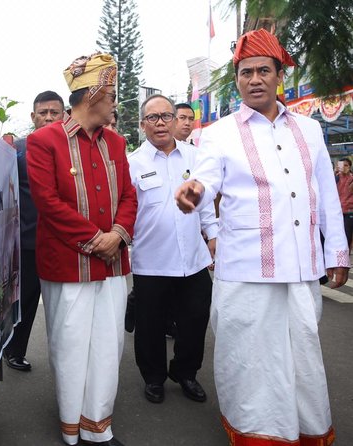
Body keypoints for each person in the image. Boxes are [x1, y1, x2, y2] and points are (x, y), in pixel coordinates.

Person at [174, 28, 349, 445]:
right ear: (237, 79)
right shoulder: (220, 132)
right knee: (249, 360)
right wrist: (195, 192)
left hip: (301, 268)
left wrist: (337, 252)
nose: (254, 79)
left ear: (278, 76)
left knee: (302, 355)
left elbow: (326, 193)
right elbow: (206, 177)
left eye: (262, 71)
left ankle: (306, 429)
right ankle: (257, 432)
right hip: (246, 269)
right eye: (245, 72)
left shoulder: (309, 130)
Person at [27, 52, 137, 446]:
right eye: (110, 94)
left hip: (112, 264)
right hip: (68, 265)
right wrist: (97, 239)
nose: (114, 102)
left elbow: (128, 194)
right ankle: (71, 428)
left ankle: (98, 428)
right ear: (92, 95)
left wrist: (118, 234)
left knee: (109, 346)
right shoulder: (43, 141)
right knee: (71, 348)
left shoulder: (117, 142)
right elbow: (47, 201)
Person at [129, 94, 217, 405]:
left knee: (194, 321)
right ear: (142, 125)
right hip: (151, 262)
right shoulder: (132, 164)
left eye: (166, 116)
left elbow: (204, 202)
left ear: (175, 119)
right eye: (153, 118)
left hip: (192, 260)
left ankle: (185, 372)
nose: (161, 123)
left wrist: (213, 235)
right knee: (150, 327)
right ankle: (153, 378)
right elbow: (127, 211)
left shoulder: (195, 158)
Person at [4, 90, 65, 372]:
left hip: (65, 241)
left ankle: (66, 360)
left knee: (65, 305)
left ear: (64, 115)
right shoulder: (16, 150)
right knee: (26, 300)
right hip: (28, 240)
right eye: (44, 113)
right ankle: (14, 351)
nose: (49, 118)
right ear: (33, 117)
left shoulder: (72, 147)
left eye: (55, 112)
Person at [335, 157, 353, 248]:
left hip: (349, 211)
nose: (344, 167)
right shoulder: (336, 178)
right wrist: (335, 174)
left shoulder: (352, 179)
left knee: (347, 234)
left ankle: (347, 254)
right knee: (337, 235)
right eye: (342, 165)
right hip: (337, 211)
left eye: (346, 165)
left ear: (350, 167)